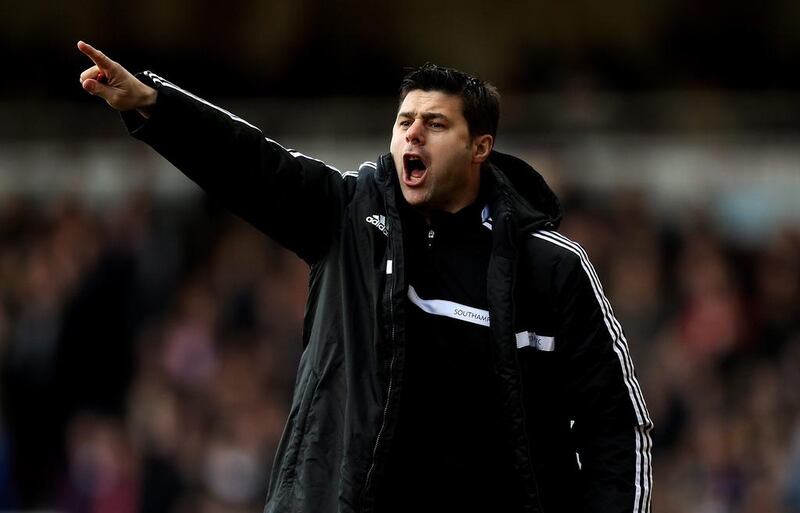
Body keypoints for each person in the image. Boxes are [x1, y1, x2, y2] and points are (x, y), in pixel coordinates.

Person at [77, 40, 653, 513]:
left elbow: (616, 426)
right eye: (404, 121)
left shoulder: (551, 267)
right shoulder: (348, 216)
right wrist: (155, 104)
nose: (412, 135)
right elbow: (252, 166)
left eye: (434, 123)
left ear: (481, 147)